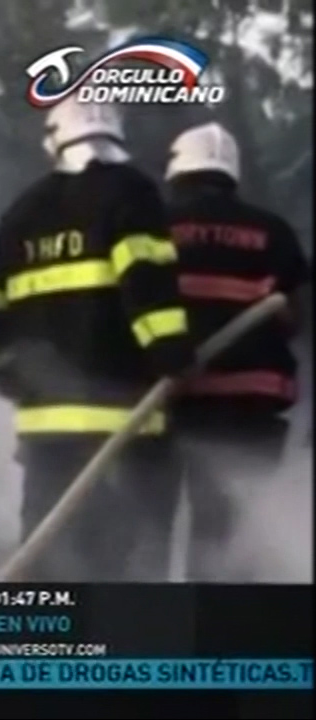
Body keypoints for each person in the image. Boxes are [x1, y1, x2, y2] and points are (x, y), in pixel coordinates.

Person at [0, 97, 196, 581]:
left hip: (45, 433)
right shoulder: (130, 192)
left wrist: (4, 375)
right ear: (115, 133)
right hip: (125, 428)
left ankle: (40, 632)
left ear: (55, 141)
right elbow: (145, 281)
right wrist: (173, 356)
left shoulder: (22, 212)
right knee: (129, 568)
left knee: (48, 566)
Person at [164, 122, 312, 580]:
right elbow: (299, 317)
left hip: (169, 403)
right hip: (251, 408)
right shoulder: (273, 232)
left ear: (177, 173)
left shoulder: (153, 227)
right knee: (228, 533)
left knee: (145, 520)